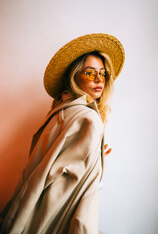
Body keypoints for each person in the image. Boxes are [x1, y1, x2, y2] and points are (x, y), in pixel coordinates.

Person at [0, 33, 125, 234]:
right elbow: (82, 194)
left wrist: (94, 157)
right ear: (74, 76)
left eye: (103, 73)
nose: (99, 79)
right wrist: (96, 167)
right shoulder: (88, 119)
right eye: (90, 73)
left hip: (32, 214)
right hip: (55, 220)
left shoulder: (60, 112)